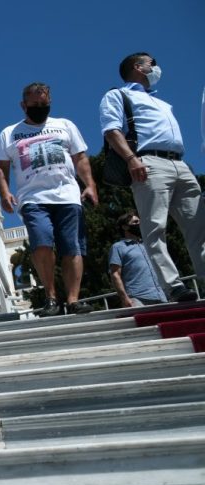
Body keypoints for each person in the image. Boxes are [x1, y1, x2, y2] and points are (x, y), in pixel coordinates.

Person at [100, 53, 204, 302]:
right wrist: (131, 159)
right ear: (138, 67)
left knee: (199, 228)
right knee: (154, 227)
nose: (156, 67)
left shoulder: (162, 103)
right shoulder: (118, 95)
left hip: (180, 163)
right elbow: (111, 130)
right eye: (151, 62)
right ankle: (174, 286)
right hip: (148, 163)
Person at [0, 82, 98, 316]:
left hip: (67, 194)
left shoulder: (65, 126)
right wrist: (4, 192)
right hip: (32, 198)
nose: (40, 107)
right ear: (23, 105)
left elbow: (80, 158)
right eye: (35, 104)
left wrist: (90, 185)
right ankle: (51, 298)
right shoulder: (9, 133)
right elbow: (1, 167)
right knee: (41, 244)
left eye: (44, 104)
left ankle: (73, 299)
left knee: (72, 247)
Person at [109, 211, 168, 308]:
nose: (139, 224)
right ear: (125, 227)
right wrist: (124, 298)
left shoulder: (148, 244)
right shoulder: (118, 247)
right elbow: (115, 274)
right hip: (137, 298)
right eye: (135, 222)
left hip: (161, 296)